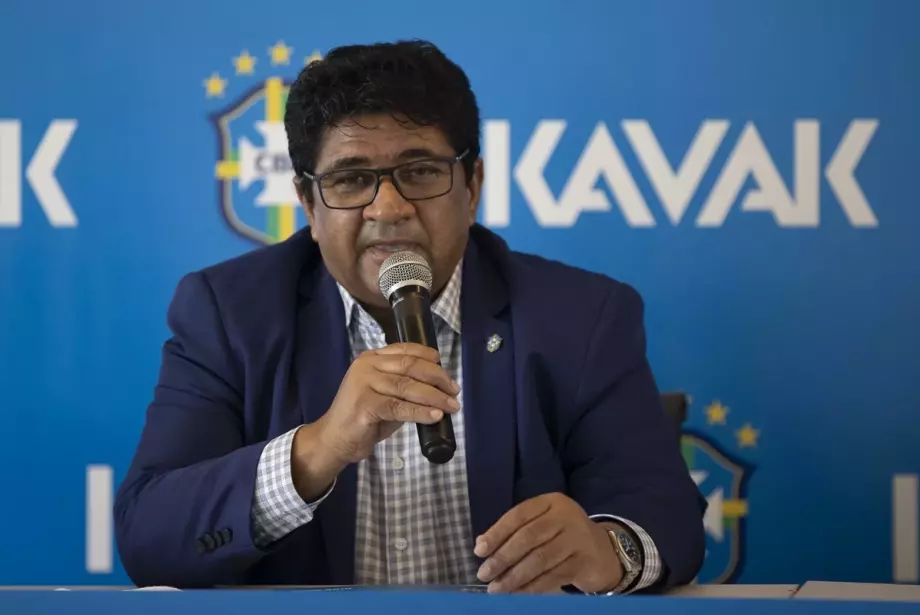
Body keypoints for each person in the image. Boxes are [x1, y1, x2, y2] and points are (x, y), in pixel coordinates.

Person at [114, 40, 705, 594]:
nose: (389, 208)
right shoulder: (230, 314)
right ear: (308, 205)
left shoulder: (581, 316)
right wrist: (315, 450)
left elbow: (665, 511)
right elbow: (150, 537)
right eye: (351, 179)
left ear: (472, 186)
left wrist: (609, 548)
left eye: (420, 171)